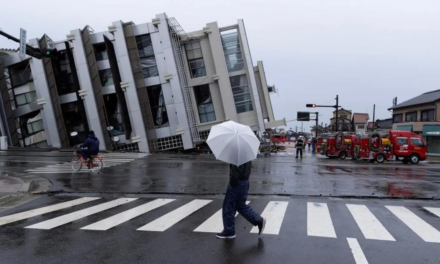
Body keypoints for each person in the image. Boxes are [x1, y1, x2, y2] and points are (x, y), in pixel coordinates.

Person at [217, 161, 266, 239]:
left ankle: (229, 231)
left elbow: (238, 170)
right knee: (240, 205)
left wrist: (232, 181)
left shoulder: (237, 153)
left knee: (228, 207)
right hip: (244, 182)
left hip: (237, 183)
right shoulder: (245, 153)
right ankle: (258, 220)